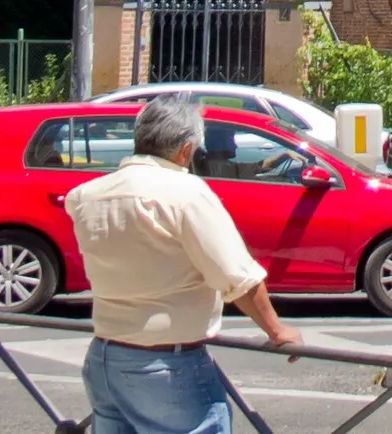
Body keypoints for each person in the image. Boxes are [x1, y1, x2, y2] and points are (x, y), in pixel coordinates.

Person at [67, 93, 302, 434]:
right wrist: (277, 331)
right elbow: (237, 277)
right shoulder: (185, 192)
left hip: (104, 355)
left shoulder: (86, 195)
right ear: (186, 149)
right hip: (166, 363)